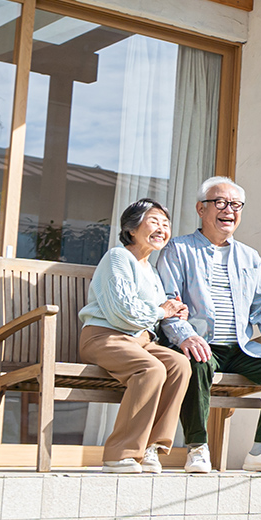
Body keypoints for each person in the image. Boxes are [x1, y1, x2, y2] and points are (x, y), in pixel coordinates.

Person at [157, 176, 261, 474]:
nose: (229, 210)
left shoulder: (250, 257)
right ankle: (197, 449)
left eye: (236, 205)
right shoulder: (178, 249)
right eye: (221, 203)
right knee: (195, 361)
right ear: (201, 209)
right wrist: (185, 336)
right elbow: (168, 301)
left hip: (240, 348)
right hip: (199, 344)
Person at [77, 199, 192, 474]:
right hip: (105, 337)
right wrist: (161, 312)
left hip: (141, 341)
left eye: (166, 224)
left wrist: (174, 312)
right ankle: (121, 454)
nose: (162, 228)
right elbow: (121, 312)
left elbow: (157, 312)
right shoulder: (118, 257)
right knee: (150, 369)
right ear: (131, 228)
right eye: (154, 221)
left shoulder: (151, 271)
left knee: (179, 365)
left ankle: (152, 447)